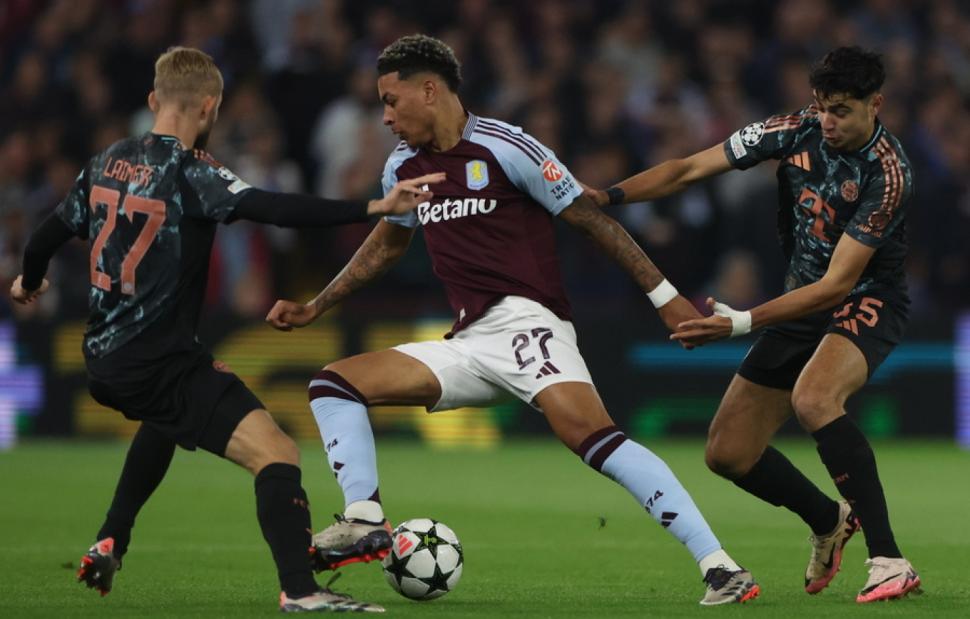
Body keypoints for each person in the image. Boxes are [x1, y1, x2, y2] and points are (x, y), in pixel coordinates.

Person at [266, 34, 759, 606]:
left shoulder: (507, 147)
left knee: (594, 439)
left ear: (430, 91)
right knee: (333, 384)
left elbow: (592, 220)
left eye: (391, 101)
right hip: (468, 341)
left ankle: (720, 566)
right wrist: (317, 305)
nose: (386, 117)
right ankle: (364, 518)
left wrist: (665, 298)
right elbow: (386, 246)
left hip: (528, 324)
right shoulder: (403, 166)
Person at [10, 46, 442, 613]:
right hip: (160, 360)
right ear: (210, 107)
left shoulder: (104, 162)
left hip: (103, 357)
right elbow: (274, 208)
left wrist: (29, 281)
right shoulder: (193, 172)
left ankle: (112, 537)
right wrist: (375, 207)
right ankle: (301, 590)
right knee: (277, 453)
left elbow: (45, 235)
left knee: (165, 420)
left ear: (153, 99)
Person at [585, 46, 920, 604]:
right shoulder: (793, 129)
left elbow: (837, 285)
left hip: (865, 301)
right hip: (800, 303)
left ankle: (889, 561)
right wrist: (608, 196)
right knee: (728, 453)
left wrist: (741, 321)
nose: (827, 121)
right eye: (822, 106)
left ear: (875, 104)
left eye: (840, 110)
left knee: (815, 398)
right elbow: (689, 169)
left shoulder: (889, 174)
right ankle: (828, 519)